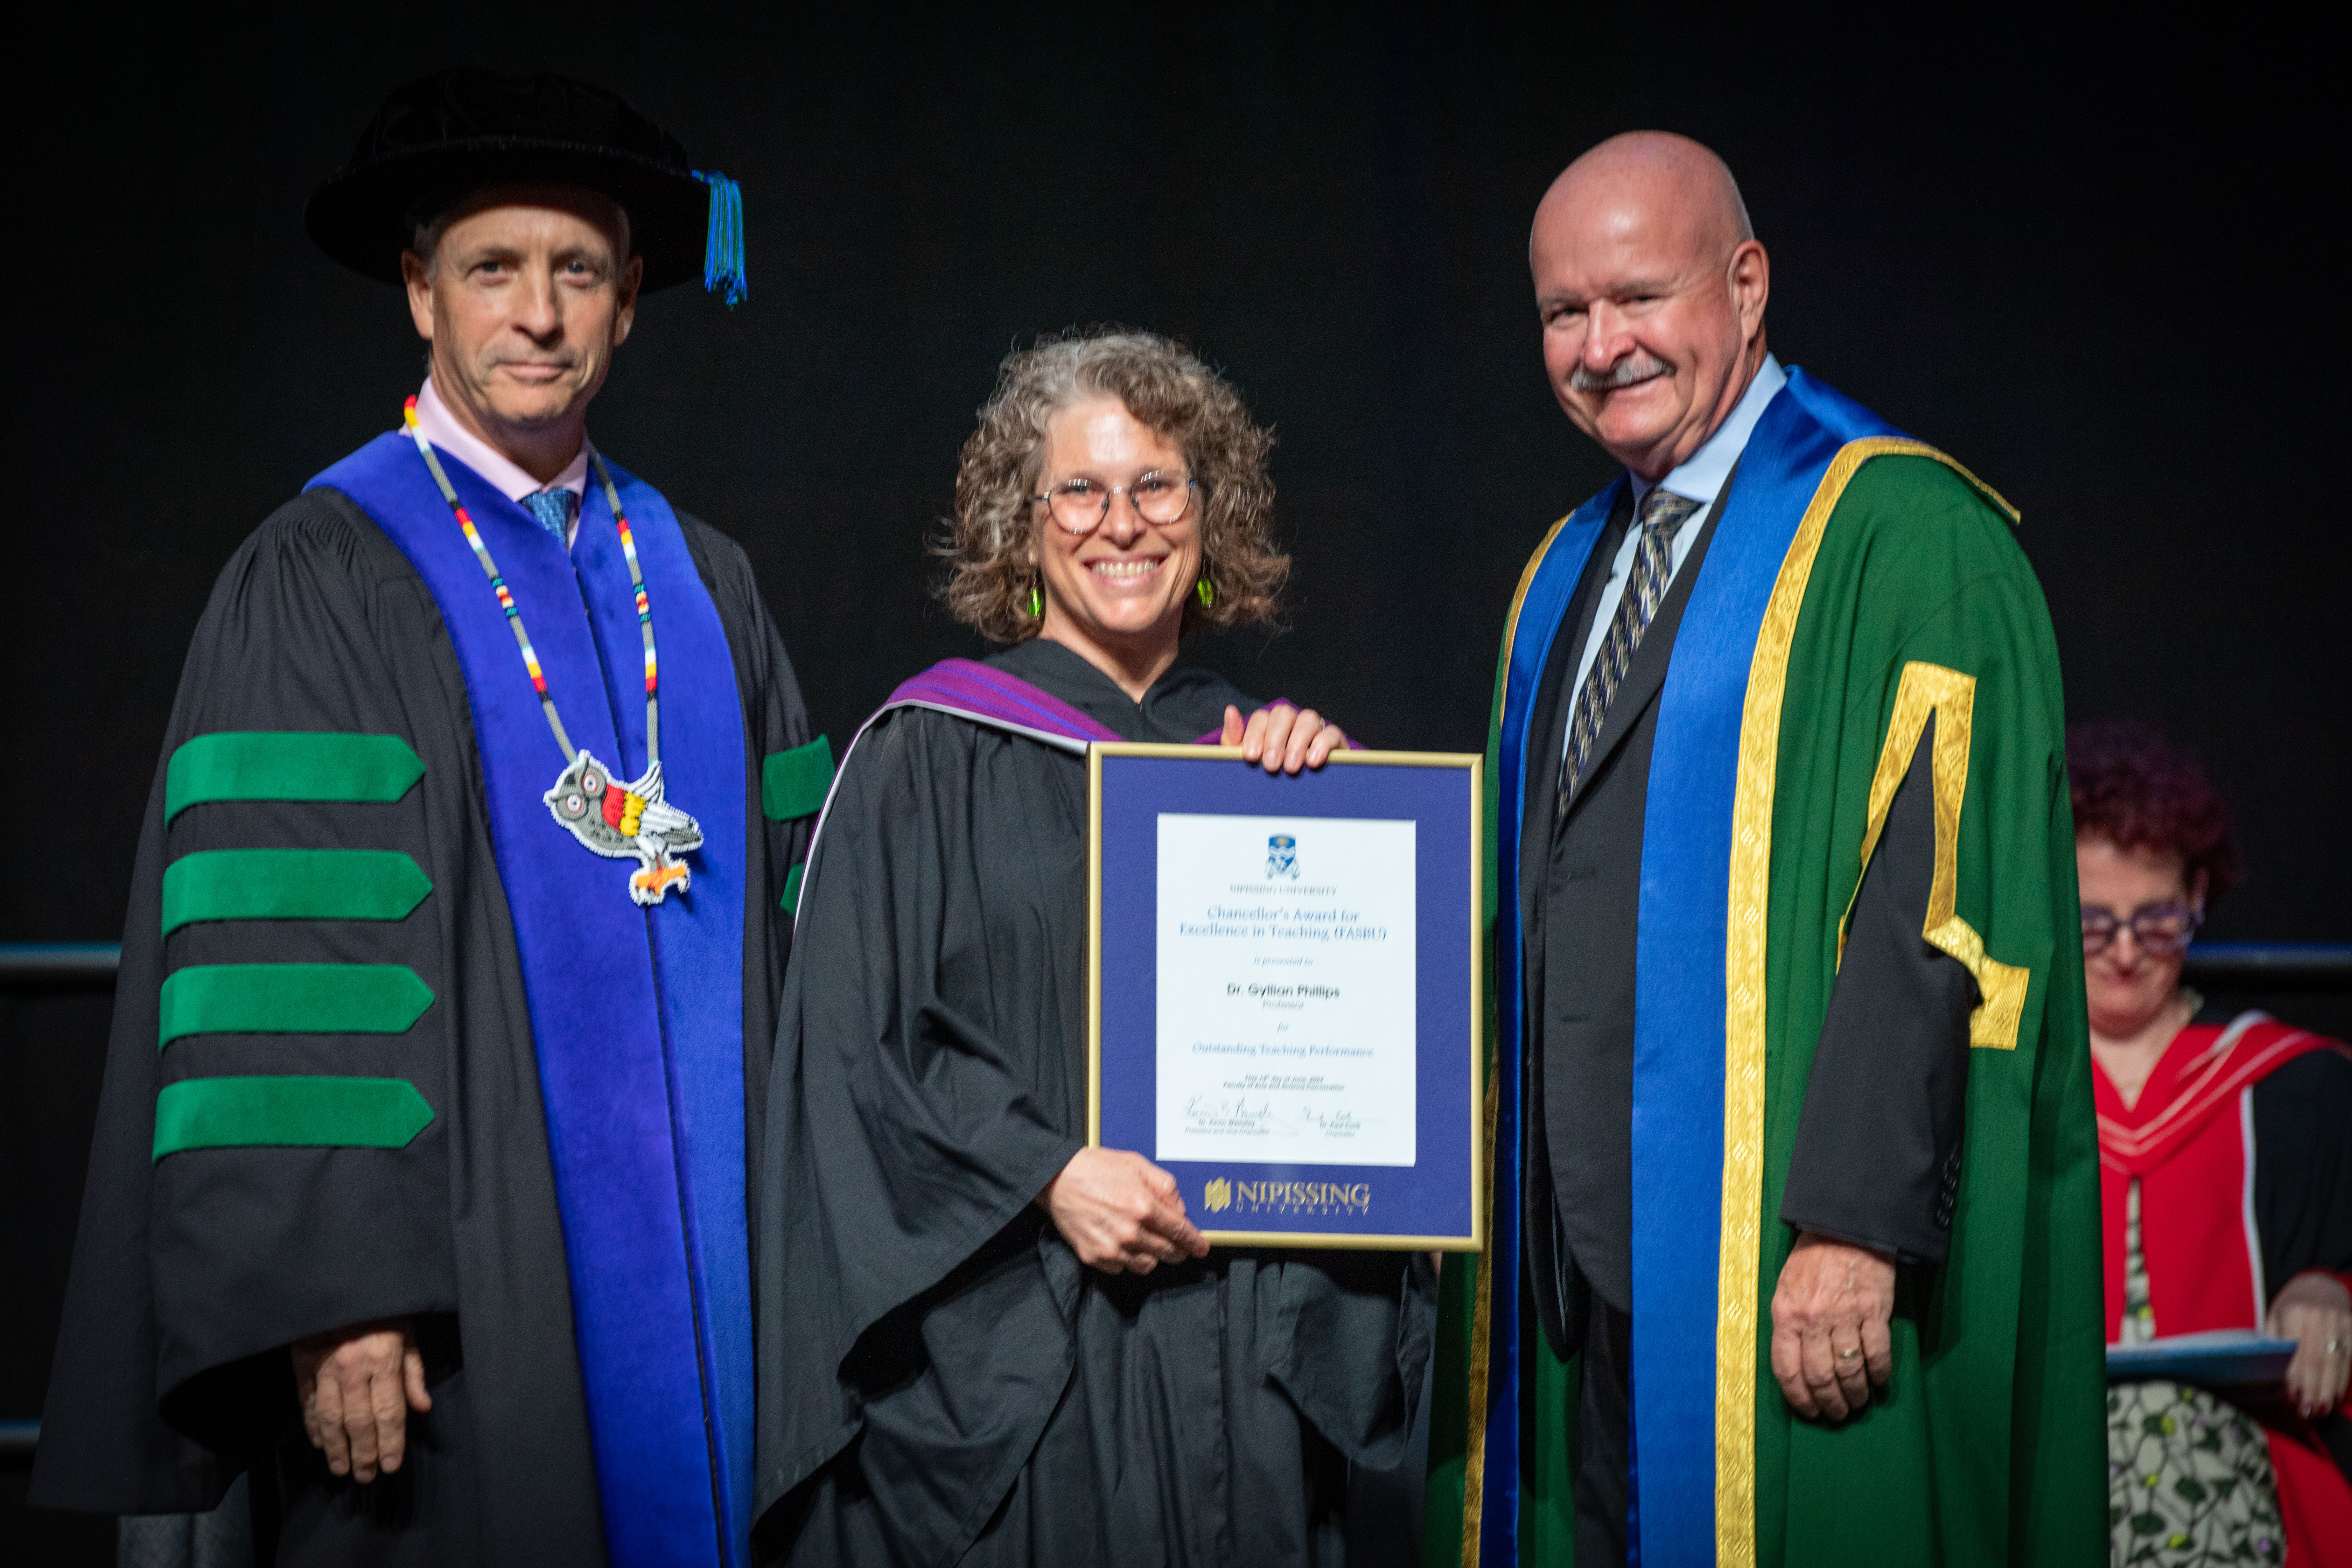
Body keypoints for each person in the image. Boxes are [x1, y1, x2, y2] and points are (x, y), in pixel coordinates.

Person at [31, 70, 823, 1567]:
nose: (538, 313)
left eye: (577, 270)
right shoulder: (325, 568)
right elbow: (289, 960)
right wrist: (335, 1296)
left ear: (632, 300)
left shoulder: (705, 583)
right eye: (492, 269)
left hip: (733, 1318)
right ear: (420, 293)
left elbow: (811, 917)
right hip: (465, 1313)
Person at [1421, 132, 2108, 1564]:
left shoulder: (1902, 533)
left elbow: (1941, 906)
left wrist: (1853, 1226)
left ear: (1746, 283)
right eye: (1564, 313)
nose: (1601, 347)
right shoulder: (1566, 567)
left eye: (1638, 297)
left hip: (1775, 1253)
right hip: (1574, 1269)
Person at [752, 328, 1437, 1566]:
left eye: (1158, 484)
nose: (1121, 523)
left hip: (1240, 1368)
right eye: (1080, 488)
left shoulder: (1262, 764)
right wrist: (1048, 1174)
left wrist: (1331, 828)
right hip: (1024, 1371)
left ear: (1208, 512)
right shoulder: (924, 755)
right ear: (1023, 523)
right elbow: (851, 1065)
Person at [2070, 720, 2352, 1564]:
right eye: (2092, 922)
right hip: (2055, 1464)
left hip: (2242, 1473)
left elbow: (2339, 1253)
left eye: (2155, 919)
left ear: (2199, 896)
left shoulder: (2297, 1085)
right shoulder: (2001, 1098)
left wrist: (2329, 1291)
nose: (2124, 952)